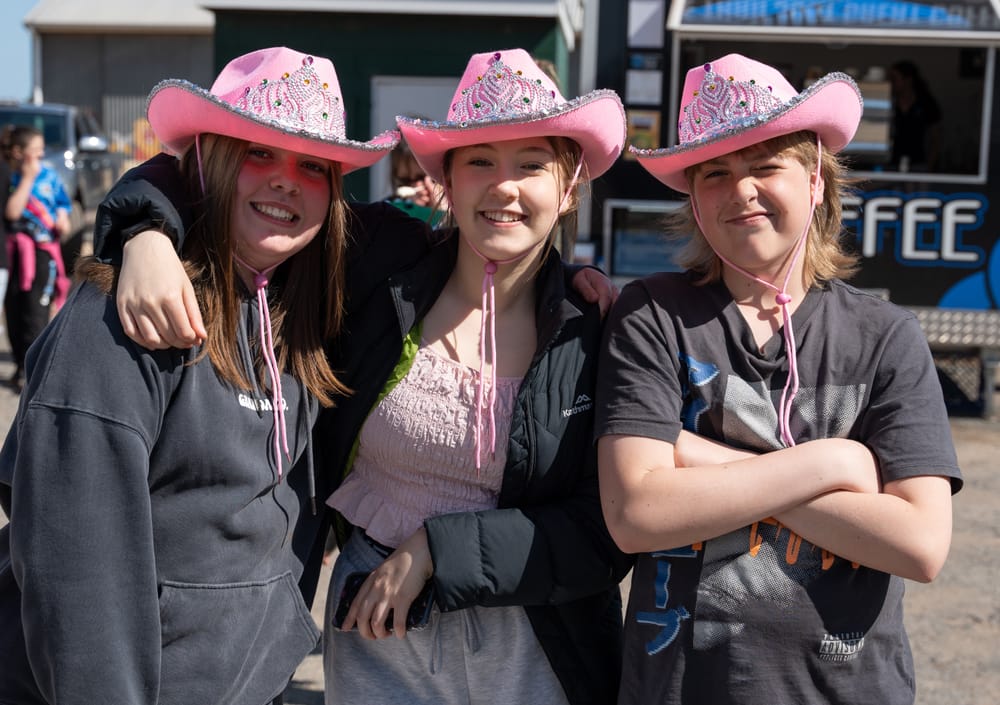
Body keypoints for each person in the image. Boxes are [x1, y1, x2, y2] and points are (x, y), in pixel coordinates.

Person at [0, 46, 400, 705]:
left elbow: (472, 237)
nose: (285, 180)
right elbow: (77, 577)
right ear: (207, 160)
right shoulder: (120, 318)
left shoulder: (297, 302)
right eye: (257, 152)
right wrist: (143, 227)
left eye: (311, 164)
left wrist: (578, 291)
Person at [595, 54, 963, 705]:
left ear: (816, 180)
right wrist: (835, 460)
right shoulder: (654, 314)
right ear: (693, 197)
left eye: (766, 166)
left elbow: (920, 542)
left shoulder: (885, 337)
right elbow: (635, 513)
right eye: (715, 173)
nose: (741, 190)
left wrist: (696, 456)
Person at [318, 48, 631, 705]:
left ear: (568, 184)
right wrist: (143, 229)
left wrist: (441, 546)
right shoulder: (378, 271)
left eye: (531, 164)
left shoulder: (601, 329)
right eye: (481, 159)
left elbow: (609, 532)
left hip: (542, 646)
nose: (504, 186)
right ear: (447, 179)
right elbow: (247, 203)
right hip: (377, 636)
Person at [1, 124, 72, 391]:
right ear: (19, 153)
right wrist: (27, 180)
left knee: (36, 312)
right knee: (15, 310)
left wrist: (63, 217)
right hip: (15, 253)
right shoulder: (11, 178)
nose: (40, 158)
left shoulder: (50, 177)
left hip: (42, 255)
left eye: (42, 153)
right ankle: (21, 363)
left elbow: (63, 203)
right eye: (36, 152)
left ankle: (35, 371)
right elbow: (12, 213)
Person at [888, 59, 942, 172]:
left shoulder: (926, 104)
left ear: (908, 79)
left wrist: (929, 167)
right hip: (891, 164)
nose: (890, 83)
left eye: (894, 79)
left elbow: (936, 139)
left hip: (919, 164)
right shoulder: (888, 103)